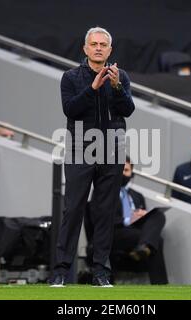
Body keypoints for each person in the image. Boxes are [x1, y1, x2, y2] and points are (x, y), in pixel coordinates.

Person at [50, 27, 135, 287]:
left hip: (112, 149)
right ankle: (61, 272)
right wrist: (94, 87)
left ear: (110, 50)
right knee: (73, 209)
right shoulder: (71, 77)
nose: (98, 48)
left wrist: (116, 86)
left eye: (103, 44)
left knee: (105, 212)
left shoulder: (120, 77)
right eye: (93, 44)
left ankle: (100, 273)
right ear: (85, 49)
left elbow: (128, 110)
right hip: (80, 149)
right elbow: (70, 109)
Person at [112, 156, 168, 284]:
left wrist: (142, 215)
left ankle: (143, 247)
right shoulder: (103, 193)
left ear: (131, 174)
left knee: (158, 214)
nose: (122, 173)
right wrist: (128, 219)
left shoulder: (138, 196)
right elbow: (99, 218)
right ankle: (161, 285)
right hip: (115, 232)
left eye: (126, 170)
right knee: (156, 240)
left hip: (136, 231)